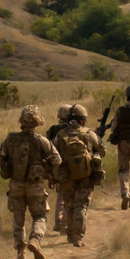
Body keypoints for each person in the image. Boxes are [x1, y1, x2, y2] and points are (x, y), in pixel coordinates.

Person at [0, 105, 60, 259]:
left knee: (18, 219)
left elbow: (0, 157)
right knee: (40, 216)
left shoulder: (10, 139)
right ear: (37, 122)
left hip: (16, 185)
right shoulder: (41, 141)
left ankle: (20, 253)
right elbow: (57, 159)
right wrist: (47, 170)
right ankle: (35, 240)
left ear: (21, 121)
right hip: (35, 185)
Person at [51, 102, 103, 246]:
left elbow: (52, 154)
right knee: (81, 205)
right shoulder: (88, 134)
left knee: (69, 205)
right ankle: (78, 236)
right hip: (85, 175)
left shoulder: (60, 135)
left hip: (66, 176)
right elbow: (102, 150)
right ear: (82, 120)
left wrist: (53, 176)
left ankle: (69, 234)